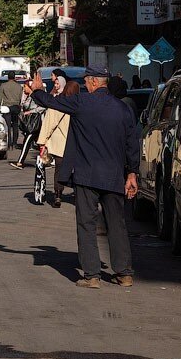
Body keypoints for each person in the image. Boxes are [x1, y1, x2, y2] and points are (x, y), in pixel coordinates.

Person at [25, 66, 139, 289]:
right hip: (115, 176)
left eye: (87, 82)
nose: (86, 85)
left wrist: (37, 91)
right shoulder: (123, 110)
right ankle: (124, 273)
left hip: (87, 175)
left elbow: (52, 103)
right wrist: (132, 173)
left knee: (86, 224)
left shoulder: (82, 103)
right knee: (117, 224)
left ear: (94, 82)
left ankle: (92, 276)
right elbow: (131, 144)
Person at [36, 79, 79, 207]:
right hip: (75, 145)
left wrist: (42, 143)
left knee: (59, 170)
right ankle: (77, 194)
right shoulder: (79, 106)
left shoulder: (56, 104)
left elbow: (47, 125)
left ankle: (58, 195)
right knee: (77, 171)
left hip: (59, 145)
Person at [11, 76, 62, 170]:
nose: (23, 89)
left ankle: (20, 162)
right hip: (32, 123)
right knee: (42, 143)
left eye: (25, 87)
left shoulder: (36, 98)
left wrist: (31, 111)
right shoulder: (27, 97)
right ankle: (48, 160)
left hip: (37, 123)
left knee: (28, 140)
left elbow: (42, 107)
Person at [0, 74, 24, 150]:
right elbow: (21, 97)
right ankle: (14, 143)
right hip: (16, 106)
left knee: (7, 126)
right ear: (14, 77)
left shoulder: (4, 85)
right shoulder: (19, 86)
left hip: (6, 107)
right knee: (15, 125)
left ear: (8, 77)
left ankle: (8, 143)